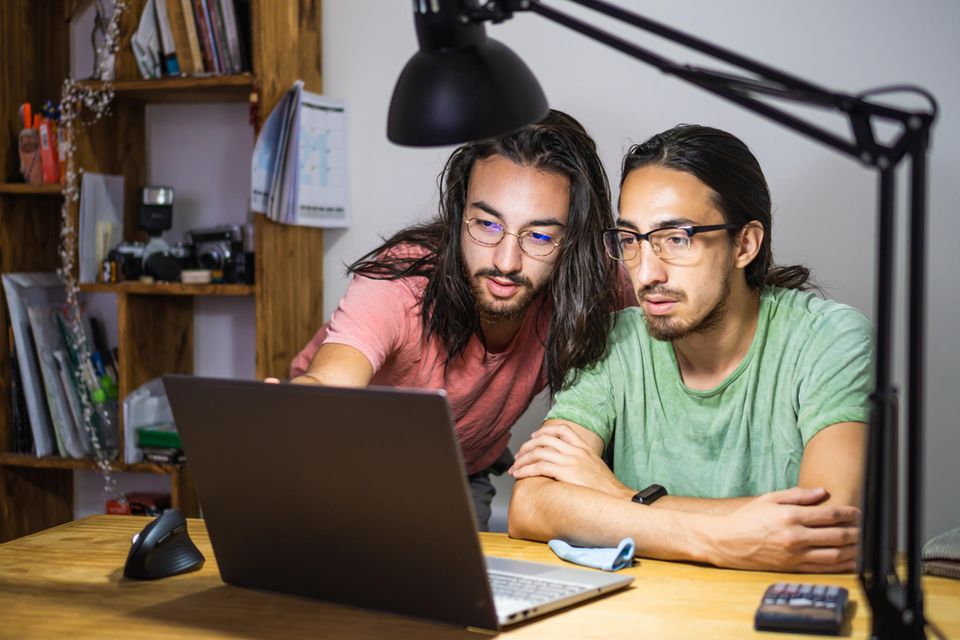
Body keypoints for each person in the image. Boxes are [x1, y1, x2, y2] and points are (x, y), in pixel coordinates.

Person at [508, 124, 872, 572]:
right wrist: (716, 539)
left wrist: (623, 499)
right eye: (630, 241)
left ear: (745, 244)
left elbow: (821, 526)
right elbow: (531, 504)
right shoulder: (615, 341)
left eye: (677, 238)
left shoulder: (829, 339)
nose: (646, 274)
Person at [287, 110, 630, 531]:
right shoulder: (403, 284)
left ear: (572, 242)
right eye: (487, 224)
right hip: (341, 466)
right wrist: (294, 409)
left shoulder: (592, 282)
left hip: (458, 473)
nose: (506, 262)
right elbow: (328, 382)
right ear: (458, 213)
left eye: (539, 236)